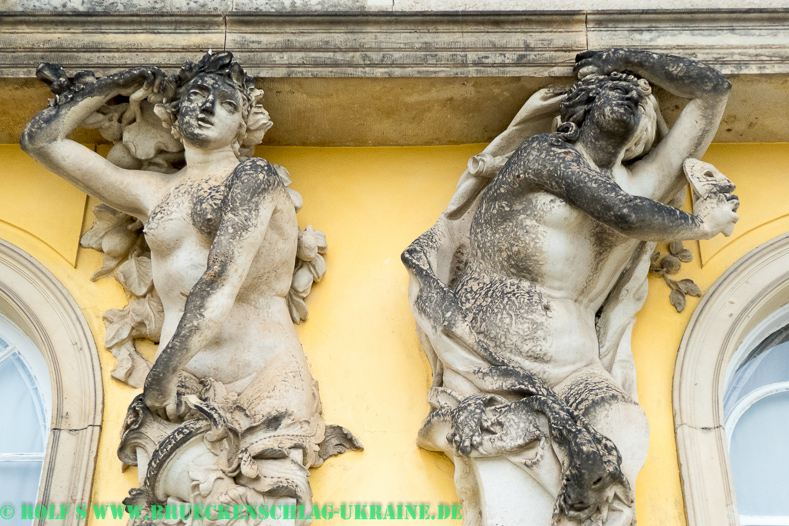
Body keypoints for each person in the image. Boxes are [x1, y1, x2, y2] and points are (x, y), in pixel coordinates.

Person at [402, 49, 738, 526]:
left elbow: (713, 91)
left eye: (640, 95)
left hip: (577, 368)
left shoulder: (642, 186)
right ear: (579, 109)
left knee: (622, 429)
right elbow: (620, 212)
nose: (631, 94)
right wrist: (699, 225)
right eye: (616, 88)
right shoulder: (544, 155)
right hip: (497, 360)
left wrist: (630, 58)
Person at [22, 52, 347, 524]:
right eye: (197, 95)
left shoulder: (254, 179)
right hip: (181, 394)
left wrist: (161, 375)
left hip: (263, 381)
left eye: (227, 103)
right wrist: (119, 82)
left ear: (242, 125)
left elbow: (220, 281)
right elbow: (42, 140)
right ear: (173, 115)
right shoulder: (152, 193)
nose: (208, 106)